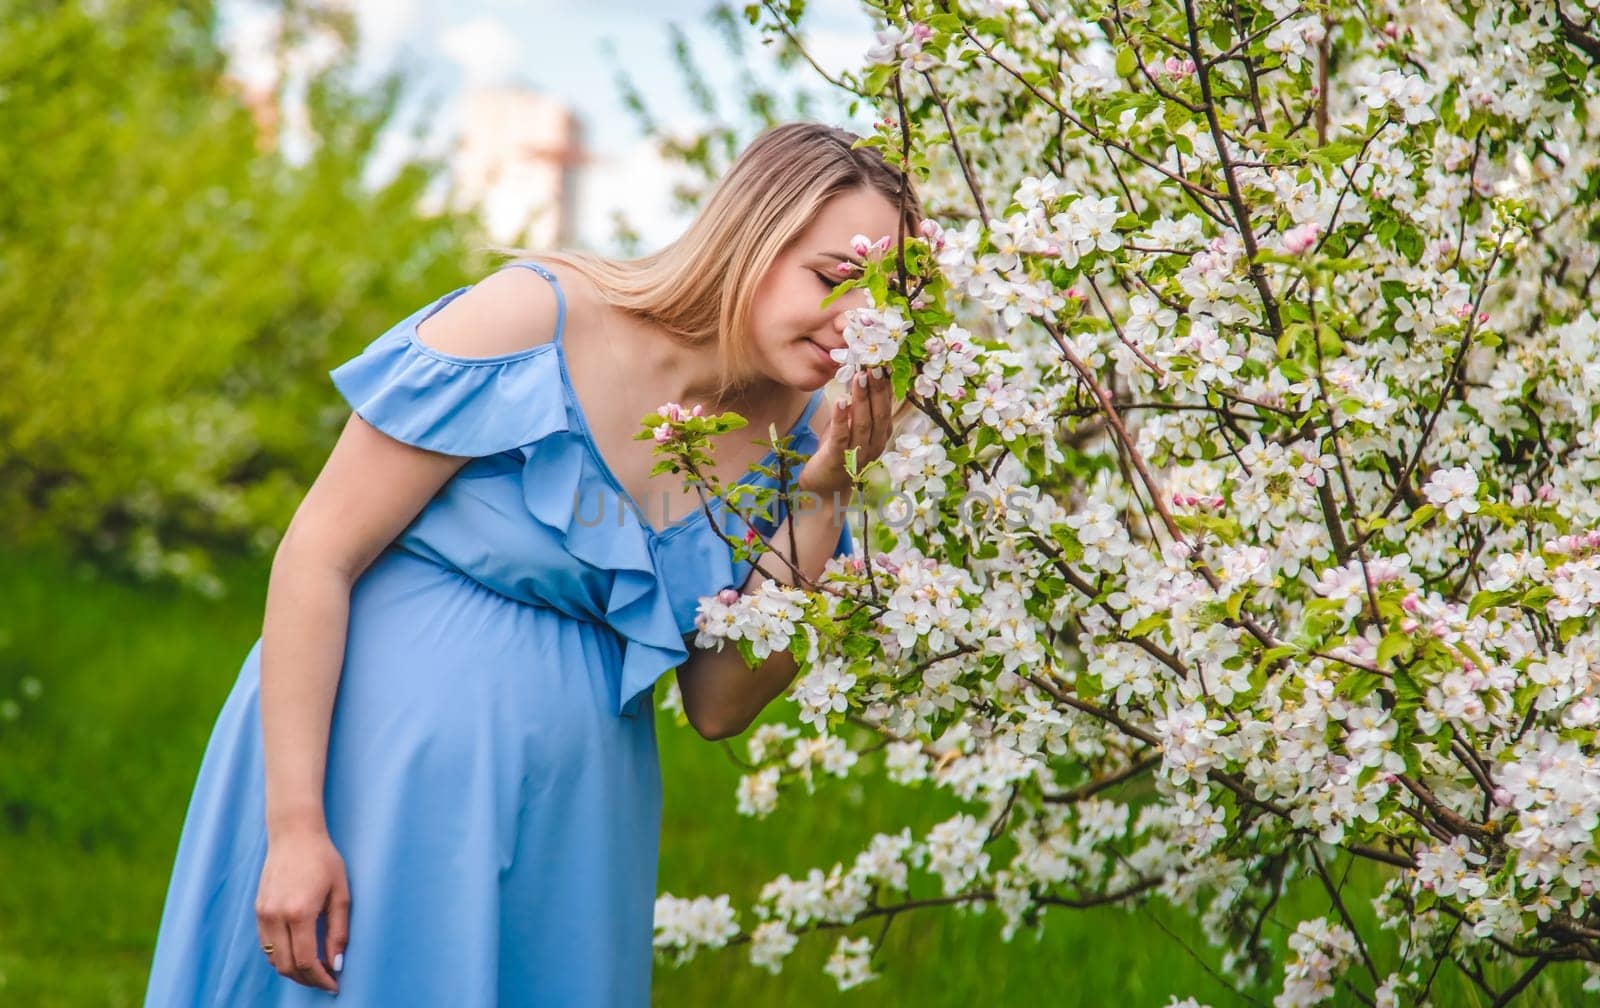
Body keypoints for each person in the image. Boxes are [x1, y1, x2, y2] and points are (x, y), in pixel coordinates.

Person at [142, 121, 920, 1006]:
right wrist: (293, 828)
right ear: (752, 237)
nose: (859, 322)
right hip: (373, 774)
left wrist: (825, 490)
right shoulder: (537, 319)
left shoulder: (810, 436)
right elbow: (317, 554)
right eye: (832, 278)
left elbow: (718, 704)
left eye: (886, 302)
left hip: (577, 819)